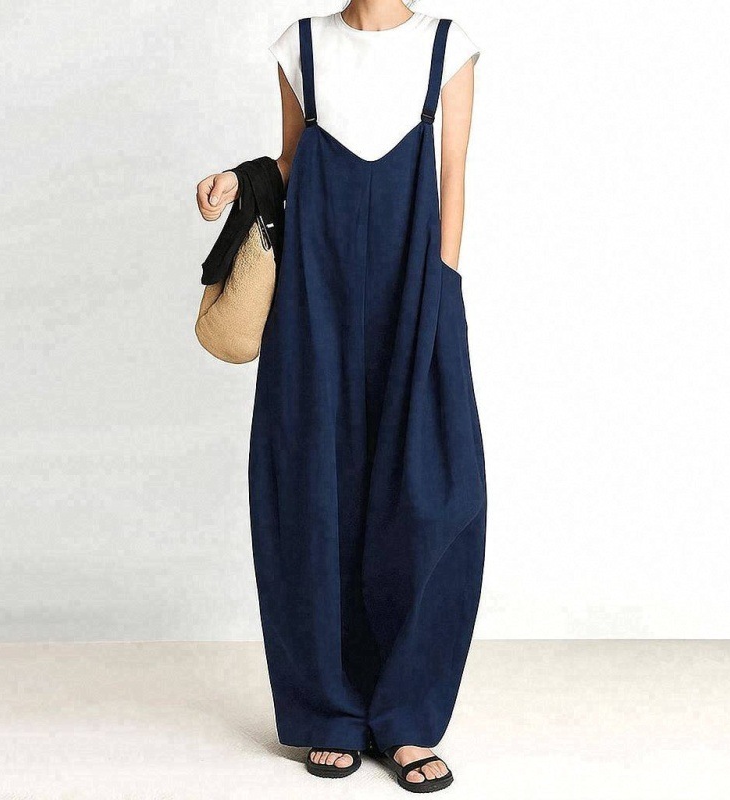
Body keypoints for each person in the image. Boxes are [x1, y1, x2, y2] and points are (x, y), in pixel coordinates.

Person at [196, 0, 485, 791]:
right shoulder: (301, 45)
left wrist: (443, 288)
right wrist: (241, 178)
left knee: (433, 492)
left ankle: (407, 717)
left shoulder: (448, 47)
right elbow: (294, 160)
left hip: (414, 289)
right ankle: (328, 711)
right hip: (313, 296)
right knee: (311, 491)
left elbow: (453, 175)